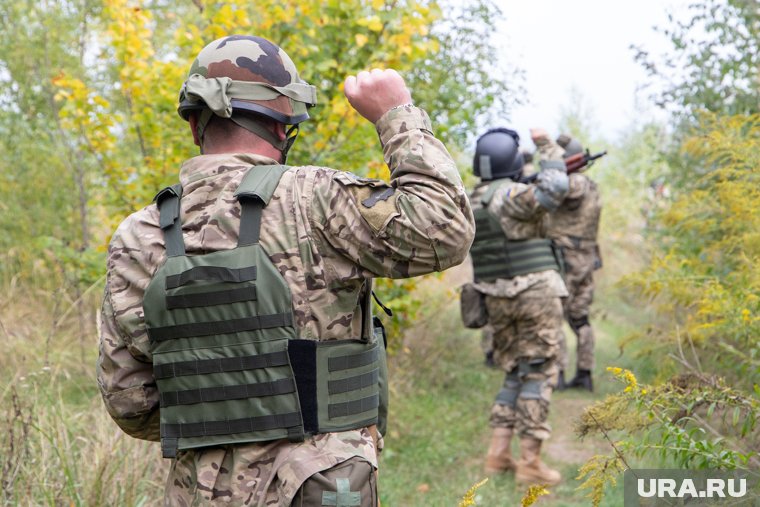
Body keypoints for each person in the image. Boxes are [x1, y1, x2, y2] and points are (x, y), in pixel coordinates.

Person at [96, 35, 474, 506]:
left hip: (198, 492)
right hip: (321, 485)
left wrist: (223, 418)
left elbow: (129, 403)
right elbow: (445, 230)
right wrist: (397, 114)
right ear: (284, 128)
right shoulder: (314, 199)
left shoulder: (139, 234)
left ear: (194, 123)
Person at [468, 127, 568, 486]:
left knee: (513, 369)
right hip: (534, 296)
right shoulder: (510, 195)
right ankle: (530, 462)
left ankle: (497, 455)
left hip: (496, 298)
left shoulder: (472, 198)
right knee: (539, 371)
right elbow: (556, 189)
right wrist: (548, 148)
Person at [546, 134, 602, 391]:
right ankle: (585, 373)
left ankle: (557, 373)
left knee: (556, 313)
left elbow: (559, 191)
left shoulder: (575, 183)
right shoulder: (592, 185)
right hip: (587, 258)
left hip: (567, 257)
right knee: (580, 319)